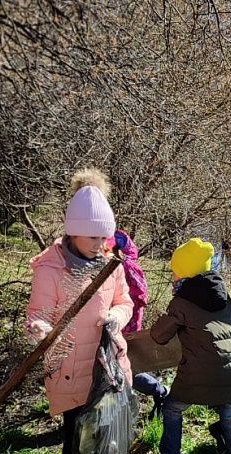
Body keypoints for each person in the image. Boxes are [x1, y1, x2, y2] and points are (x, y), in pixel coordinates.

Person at [25, 181, 135, 454]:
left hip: (108, 364)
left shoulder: (111, 264)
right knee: (75, 440)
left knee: (113, 432)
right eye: (94, 239)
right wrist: (40, 329)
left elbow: (125, 300)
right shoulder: (50, 268)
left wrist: (118, 317)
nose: (101, 245)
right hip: (71, 369)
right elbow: (38, 314)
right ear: (74, 233)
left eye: (104, 238)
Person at [140, 238, 231, 454]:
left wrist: (169, 316)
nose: (171, 274)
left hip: (197, 372)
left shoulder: (182, 301)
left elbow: (159, 336)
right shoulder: (224, 296)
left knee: (172, 408)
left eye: (174, 270)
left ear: (184, 273)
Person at [69, 169, 169, 409]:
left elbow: (132, 291)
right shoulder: (80, 237)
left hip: (117, 319)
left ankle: (159, 392)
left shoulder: (109, 241)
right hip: (93, 324)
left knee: (122, 364)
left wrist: (123, 320)